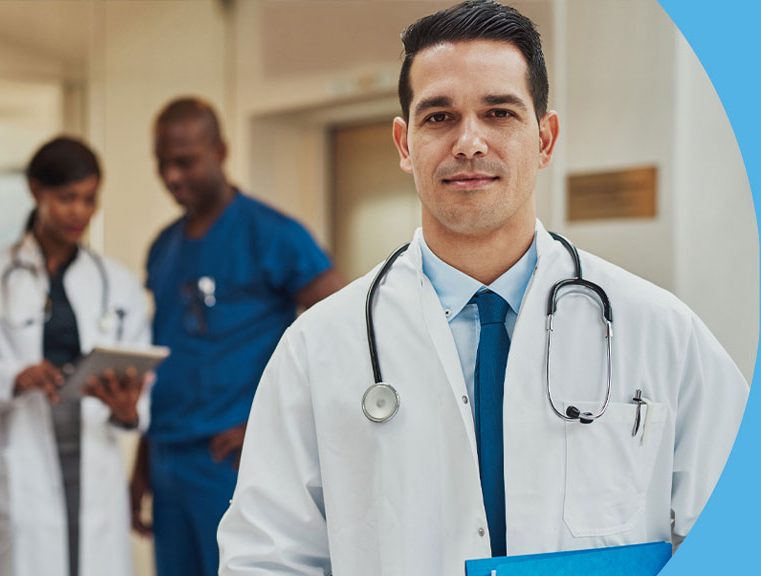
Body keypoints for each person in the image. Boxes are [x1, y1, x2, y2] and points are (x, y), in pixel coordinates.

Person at [216, 1, 749, 573]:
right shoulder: (316, 348)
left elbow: (737, 531)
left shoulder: (661, 332)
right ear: (404, 144)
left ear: (545, 139)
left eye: (499, 113)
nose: (469, 142)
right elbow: (267, 557)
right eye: (439, 117)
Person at [130, 97, 343, 576]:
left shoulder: (273, 234)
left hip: (232, 457)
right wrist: (141, 466)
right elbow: (165, 362)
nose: (171, 177)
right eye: (162, 164)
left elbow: (346, 332)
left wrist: (275, 428)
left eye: (185, 162)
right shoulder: (164, 248)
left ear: (220, 151)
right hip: (168, 459)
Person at [0, 137, 151, 576]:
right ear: (37, 191)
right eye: (66, 198)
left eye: (89, 199)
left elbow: (142, 379)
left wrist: (128, 411)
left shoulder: (117, 282)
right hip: (21, 457)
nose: (79, 212)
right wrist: (15, 377)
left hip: (95, 456)